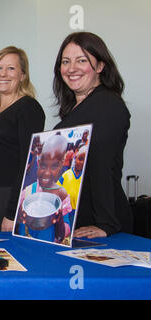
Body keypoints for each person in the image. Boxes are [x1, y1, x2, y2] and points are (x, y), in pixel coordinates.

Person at [53, 31, 133, 238]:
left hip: (101, 225)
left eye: (81, 60)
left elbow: (102, 166)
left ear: (100, 66)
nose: (72, 69)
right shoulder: (77, 108)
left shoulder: (108, 105)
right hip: (77, 220)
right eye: (66, 61)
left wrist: (106, 224)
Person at [0, 46, 45, 231]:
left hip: (12, 199)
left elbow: (29, 164)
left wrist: (13, 212)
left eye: (11, 68)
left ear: (23, 75)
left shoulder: (28, 108)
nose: (3, 74)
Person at [15, 134, 72, 243]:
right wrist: (19, 216)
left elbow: (63, 234)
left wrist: (59, 221)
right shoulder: (27, 192)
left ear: (61, 166)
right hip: (25, 245)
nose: (47, 172)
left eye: (54, 166)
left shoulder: (61, 194)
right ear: (38, 163)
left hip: (48, 249)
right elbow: (18, 225)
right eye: (44, 166)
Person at [58, 145, 88, 227]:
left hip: (77, 211)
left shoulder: (85, 176)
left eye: (84, 161)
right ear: (75, 158)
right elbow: (57, 188)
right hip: (66, 209)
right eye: (80, 159)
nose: (81, 162)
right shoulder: (66, 174)